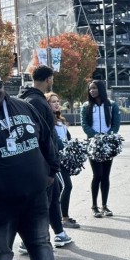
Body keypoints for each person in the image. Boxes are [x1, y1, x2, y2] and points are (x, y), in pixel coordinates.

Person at [0, 67, 83, 260]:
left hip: (33, 197)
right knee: (1, 253)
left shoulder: (23, 106)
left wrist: (52, 170)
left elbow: (46, 137)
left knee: (41, 243)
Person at [19, 65, 72, 249]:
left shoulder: (24, 99)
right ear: (49, 79)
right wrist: (51, 164)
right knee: (43, 203)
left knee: (50, 197)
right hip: (41, 163)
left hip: (35, 161)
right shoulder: (37, 102)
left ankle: (58, 233)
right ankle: (31, 241)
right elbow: (44, 136)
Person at [80, 80, 121, 218]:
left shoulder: (112, 105)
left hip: (108, 143)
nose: (91, 91)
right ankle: (94, 206)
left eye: (94, 88)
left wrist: (108, 136)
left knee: (105, 175)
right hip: (93, 144)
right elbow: (84, 124)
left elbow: (116, 124)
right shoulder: (86, 106)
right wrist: (96, 136)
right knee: (97, 175)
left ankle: (104, 206)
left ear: (101, 89)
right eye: (90, 89)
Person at [47, 91, 79, 229]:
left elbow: (67, 138)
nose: (57, 104)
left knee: (62, 188)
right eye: (53, 102)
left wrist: (74, 149)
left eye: (58, 101)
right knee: (65, 186)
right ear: (47, 104)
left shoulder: (61, 120)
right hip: (57, 159)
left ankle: (60, 216)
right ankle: (61, 218)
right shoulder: (48, 121)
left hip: (65, 158)